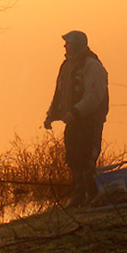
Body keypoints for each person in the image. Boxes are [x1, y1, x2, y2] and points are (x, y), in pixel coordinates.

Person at [44, 30, 109, 207]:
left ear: (77, 44)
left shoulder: (92, 65)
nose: (65, 46)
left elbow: (95, 95)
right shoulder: (67, 65)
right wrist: (51, 115)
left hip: (89, 122)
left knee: (87, 157)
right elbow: (59, 93)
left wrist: (76, 112)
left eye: (68, 43)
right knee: (73, 158)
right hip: (74, 122)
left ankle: (92, 197)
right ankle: (79, 196)